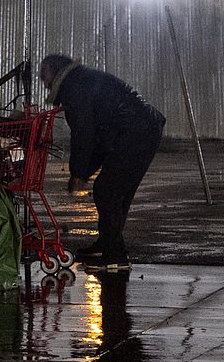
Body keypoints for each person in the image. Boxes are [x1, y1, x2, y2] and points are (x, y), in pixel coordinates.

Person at [39, 54, 165, 271]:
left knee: (108, 190)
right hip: (141, 128)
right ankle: (107, 245)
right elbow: (98, 138)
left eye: (44, 75)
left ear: (53, 71)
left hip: (135, 132)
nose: (43, 81)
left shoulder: (75, 88)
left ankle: (115, 256)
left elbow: (84, 134)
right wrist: (83, 173)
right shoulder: (80, 81)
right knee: (116, 190)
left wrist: (78, 173)